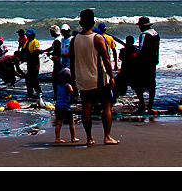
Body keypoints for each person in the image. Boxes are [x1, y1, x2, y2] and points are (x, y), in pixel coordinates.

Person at [70, 9, 117, 145]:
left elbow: (72, 61)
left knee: (86, 107)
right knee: (107, 105)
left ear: (80, 22)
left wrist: (74, 78)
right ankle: (107, 136)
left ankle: (89, 138)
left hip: (82, 79)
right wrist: (111, 76)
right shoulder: (97, 38)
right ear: (93, 22)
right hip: (98, 78)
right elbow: (106, 58)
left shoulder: (74, 40)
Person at [135, 16, 160, 114]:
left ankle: (142, 104)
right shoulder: (155, 34)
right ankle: (150, 106)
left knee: (136, 84)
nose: (139, 28)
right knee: (151, 85)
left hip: (144, 63)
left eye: (140, 26)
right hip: (153, 62)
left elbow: (140, 50)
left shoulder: (144, 35)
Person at [53, 67, 79, 144]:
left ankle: (57, 138)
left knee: (58, 123)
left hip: (58, 107)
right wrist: (75, 88)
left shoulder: (58, 86)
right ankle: (73, 137)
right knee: (71, 122)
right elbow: (72, 93)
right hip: (65, 107)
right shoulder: (67, 86)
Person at [113, 35, 137, 100]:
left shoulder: (123, 50)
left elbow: (120, 57)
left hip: (124, 72)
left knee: (116, 83)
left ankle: (115, 98)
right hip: (134, 72)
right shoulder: (136, 50)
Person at [22, 29, 43, 100]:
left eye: (29, 35)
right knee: (28, 79)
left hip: (34, 63)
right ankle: (30, 93)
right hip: (29, 63)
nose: (28, 36)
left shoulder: (35, 42)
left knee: (33, 78)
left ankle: (39, 92)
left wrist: (28, 55)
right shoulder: (27, 43)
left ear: (33, 35)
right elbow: (24, 50)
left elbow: (36, 51)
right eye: (27, 35)